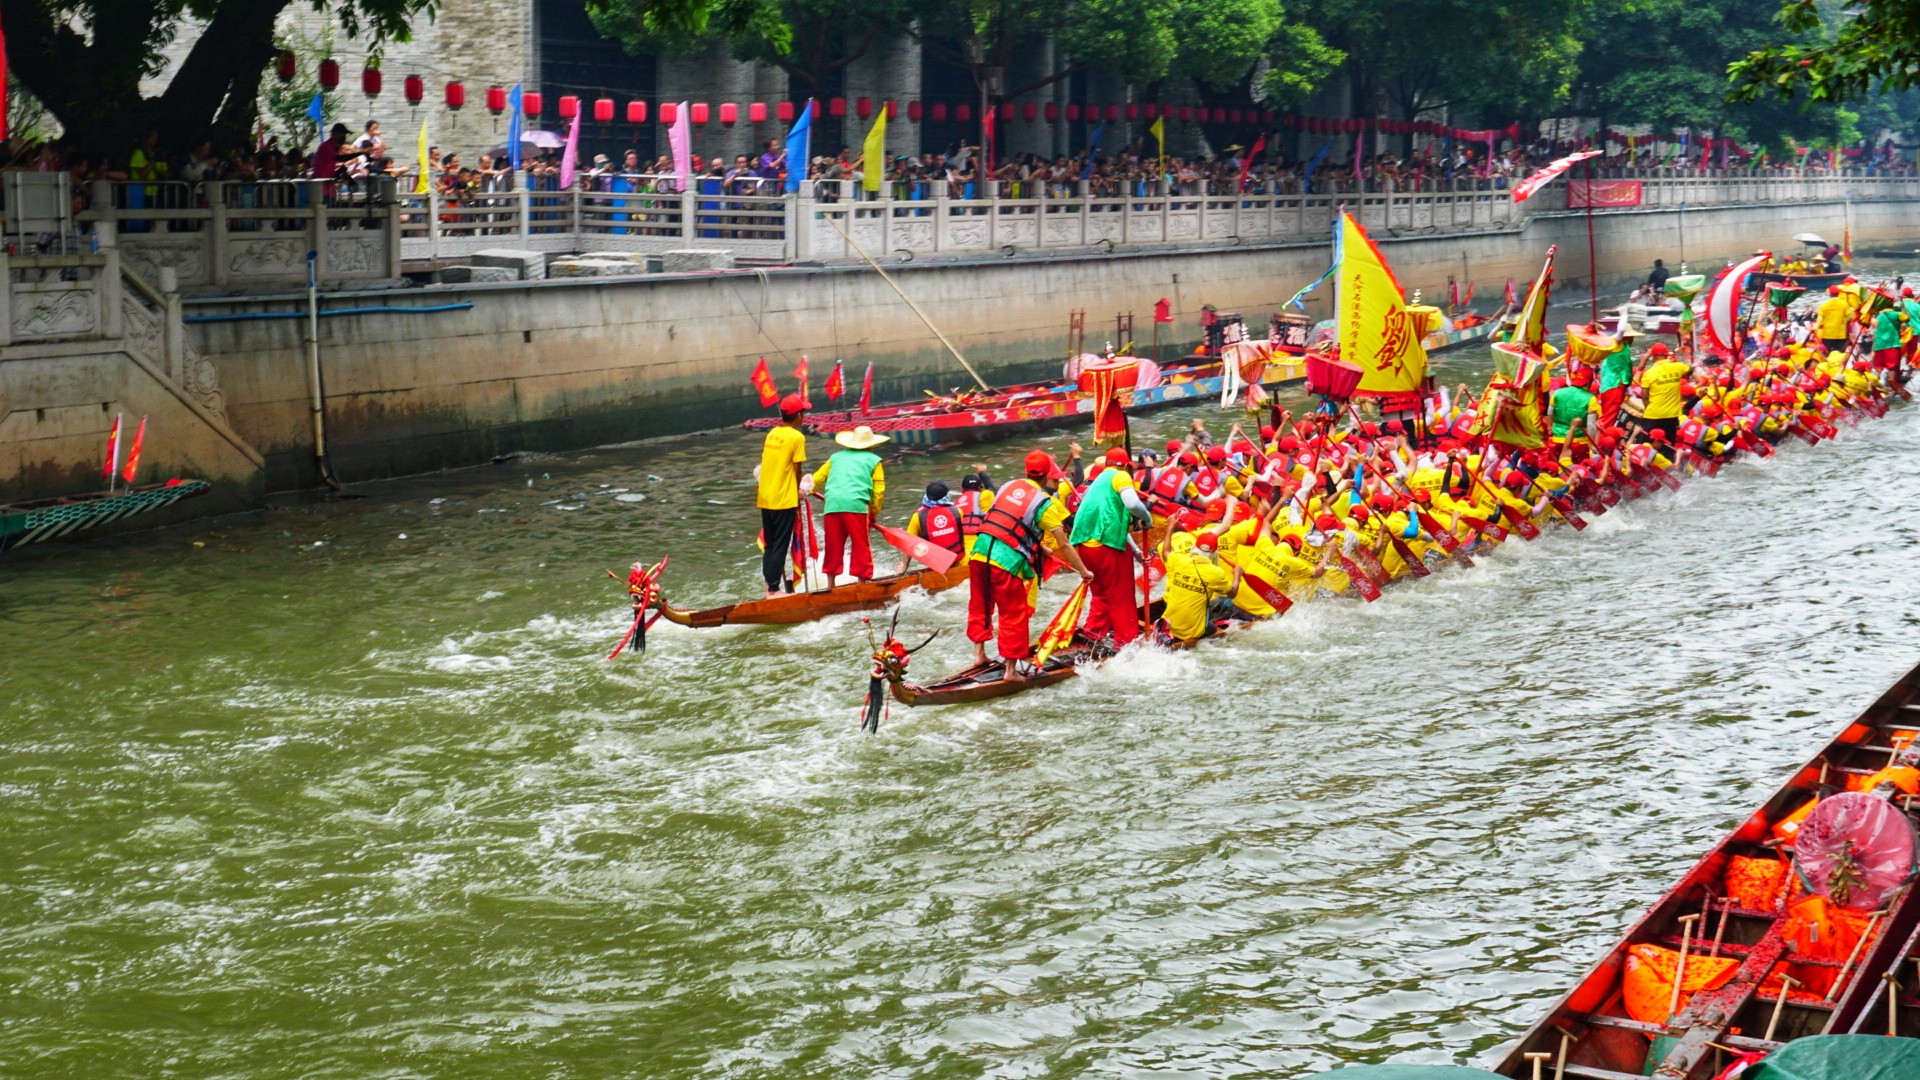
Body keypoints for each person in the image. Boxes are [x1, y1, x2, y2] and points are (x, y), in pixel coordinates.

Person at [967, 450, 1094, 681]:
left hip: (978, 554)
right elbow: (1064, 544)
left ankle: (979, 655)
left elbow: (1005, 520)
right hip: (1004, 563)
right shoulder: (1044, 504)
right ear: (1046, 477)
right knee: (1013, 614)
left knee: (981, 605)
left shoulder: (1007, 486)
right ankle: (1010, 671)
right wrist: (1084, 572)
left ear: (1026, 471)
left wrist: (1039, 548)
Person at [1067, 447, 1153, 647]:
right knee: (1120, 595)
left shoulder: (1097, 482)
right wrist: (1147, 519)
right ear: (1123, 466)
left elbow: (1110, 521)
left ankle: (1093, 632)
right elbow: (1132, 505)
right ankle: (1126, 642)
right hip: (1106, 547)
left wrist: (1137, 552)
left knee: (1101, 593)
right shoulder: (1120, 476)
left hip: (1085, 547)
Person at [809, 425, 889, 581]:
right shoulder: (874, 461)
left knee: (833, 546)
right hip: (857, 506)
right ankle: (861, 584)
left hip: (832, 505)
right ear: (871, 445)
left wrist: (807, 491)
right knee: (861, 546)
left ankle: (830, 587)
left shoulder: (835, 457)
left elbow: (816, 479)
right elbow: (878, 491)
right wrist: (873, 512)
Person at [756, 394, 808, 597]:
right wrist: (798, 492)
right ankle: (774, 589)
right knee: (780, 544)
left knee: (770, 544)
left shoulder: (772, 433)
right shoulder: (797, 437)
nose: (804, 415)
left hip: (766, 496)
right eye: (803, 412)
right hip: (783, 499)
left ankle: (769, 586)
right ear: (797, 416)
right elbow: (797, 469)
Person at [1634, 344, 1691, 443]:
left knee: (1645, 442)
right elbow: (1690, 370)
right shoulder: (1678, 367)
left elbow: (1644, 396)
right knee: (1668, 443)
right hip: (1672, 415)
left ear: (1653, 356)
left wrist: (1648, 408)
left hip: (1653, 414)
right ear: (1666, 355)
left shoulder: (1649, 373)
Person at [903, 481, 965, 559]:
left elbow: (909, 543)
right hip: (958, 559)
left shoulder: (917, 517)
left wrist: (904, 565)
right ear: (945, 497)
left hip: (936, 563)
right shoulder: (958, 511)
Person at [1816, 285, 1852, 355]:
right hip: (1840, 335)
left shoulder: (1824, 305)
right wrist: (1842, 321)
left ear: (1830, 294)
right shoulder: (1844, 304)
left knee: (1827, 354)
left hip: (1827, 335)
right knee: (1839, 354)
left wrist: (1815, 328)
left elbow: (1819, 319)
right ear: (1838, 294)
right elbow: (1850, 317)